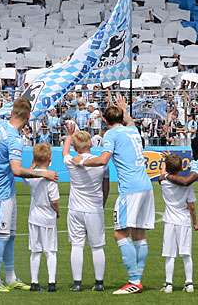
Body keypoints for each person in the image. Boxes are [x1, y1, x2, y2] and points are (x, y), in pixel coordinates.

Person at [73, 95, 154, 295]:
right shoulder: (132, 129)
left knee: (120, 233)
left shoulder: (111, 135)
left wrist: (81, 161)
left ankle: (134, 280)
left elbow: (102, 160)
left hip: (130, 189)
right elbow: (131, 120)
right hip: (146, 186)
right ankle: (138, 278)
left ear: (104, 121)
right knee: (139, 233)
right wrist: (124, 108)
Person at [0, 96, 58, 293]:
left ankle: (11, 276)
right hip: (1, 192)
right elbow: (16, 170)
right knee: (2, 235)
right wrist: (44, 173)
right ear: (28, 116)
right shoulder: (14, 139)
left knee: (10, 235)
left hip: (5, 189)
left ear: (13, 112)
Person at [62, 123, 108, 292]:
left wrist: (69, 135)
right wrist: (102, 203)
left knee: (77, 245)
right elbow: (106, 186)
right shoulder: (101, 164)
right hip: (94, 208)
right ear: (90, 144)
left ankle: (77, 283)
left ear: (76, 145)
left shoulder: (71, 162)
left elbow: (65, 153)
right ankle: (99, 282)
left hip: (75, 209)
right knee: (97, 246)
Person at [159, 154, 198, 294]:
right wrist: (195, 223)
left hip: (170, 221)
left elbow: (162, 174)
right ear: (181, 167)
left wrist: (164, 161)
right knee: (186, 254)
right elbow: (192, 206)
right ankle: (189, 283)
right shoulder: (187, 186)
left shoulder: (163, 182)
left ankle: (169, 284)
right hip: (184, 221)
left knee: (169, 255)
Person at [25, 143, 60, 292]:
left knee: (35, 251)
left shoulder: (31, 177)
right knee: (50, 250)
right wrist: (57, 211)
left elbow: (27, 174)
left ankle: (34, 282)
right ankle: (51, 282)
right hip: (48, 218)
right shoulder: (51, 178)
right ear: (49, 158)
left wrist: (33, 164)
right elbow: (55, 201)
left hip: (34, 217)